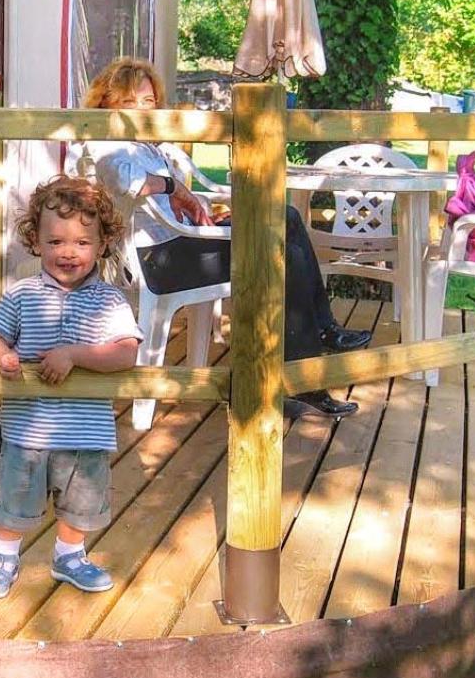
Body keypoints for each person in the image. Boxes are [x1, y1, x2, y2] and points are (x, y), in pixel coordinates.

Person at [82, 57, 371, 419]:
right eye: (128, 102)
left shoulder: (149, 146)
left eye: (148, 101)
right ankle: (303, 380)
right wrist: (175, 188)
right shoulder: (107, 141)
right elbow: (129, 183)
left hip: (184, 244)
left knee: (287, 218)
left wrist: (201, 208)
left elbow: (175, 203)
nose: (140, 110)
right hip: (160, 260)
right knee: (283, 254)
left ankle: (324, 332)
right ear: (106, 104)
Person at [0, 175, 143, 599]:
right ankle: (4, 556)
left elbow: (126, 353)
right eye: (55, 243)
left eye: (82, 243)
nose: (68, 253)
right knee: (16, 497)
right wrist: (1, 357)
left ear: (103, 244)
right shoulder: (22, 295)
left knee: (81, 504)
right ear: (36, 242)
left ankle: (70, 556)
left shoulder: (109, 301)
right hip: (27, 429)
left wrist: (74, 354)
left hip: (85, 433)